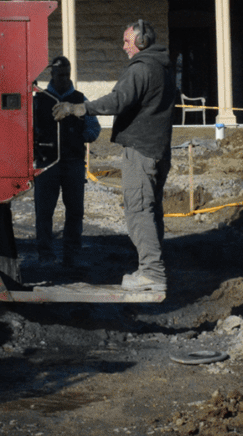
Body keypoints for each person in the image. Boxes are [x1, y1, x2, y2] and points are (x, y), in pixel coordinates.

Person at [52, 18, 174, 292]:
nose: (124, 47)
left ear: (141, 42)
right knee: (150, 210)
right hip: (156, 148)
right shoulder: (161, 66)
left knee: (139, 209)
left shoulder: (142, 68)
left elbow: (117, 100)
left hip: (142, 150)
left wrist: (77, 109)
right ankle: (148, 269)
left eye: (127, 41)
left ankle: (152, 274)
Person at [32, 56, 100, 267]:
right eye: (60, 75)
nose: (64, 79)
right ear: (51, 74)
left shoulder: (80, 99)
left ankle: (71, 253)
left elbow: (94, 128)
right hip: (46, 164)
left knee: (75, 210)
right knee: (44, 211)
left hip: (73, 163)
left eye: (67, 75)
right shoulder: (39, 99)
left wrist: (85, 135)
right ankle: (45, 254)